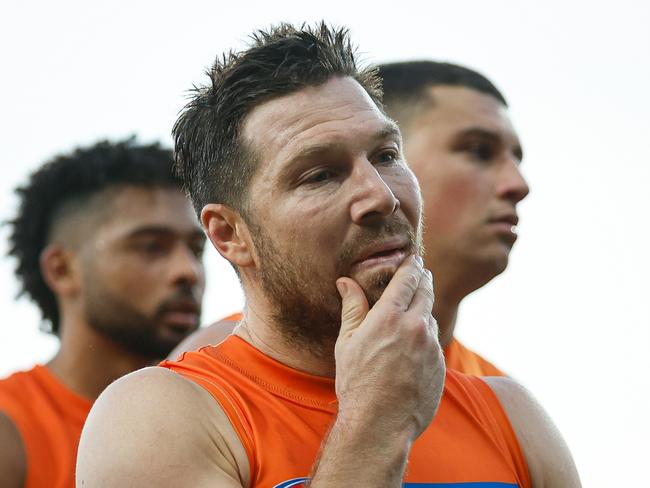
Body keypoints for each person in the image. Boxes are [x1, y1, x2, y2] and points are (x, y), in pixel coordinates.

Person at [77, 24, 580, 487]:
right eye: (320, 174)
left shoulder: (512, 415)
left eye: (386, 156)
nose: (380, 194)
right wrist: (376, 424)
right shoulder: (161, 416)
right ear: (230, 234)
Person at [168, 60, 528, 376]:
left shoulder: (504, 404)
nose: (518, 185)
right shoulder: (205, 380)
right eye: (479, 152)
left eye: (385, 157)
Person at [0, 139, 206, 488]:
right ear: (63, 269)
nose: (188, 271)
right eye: (151, 247)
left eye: (196, 248)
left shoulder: (226, 403)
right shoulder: (12, 429)